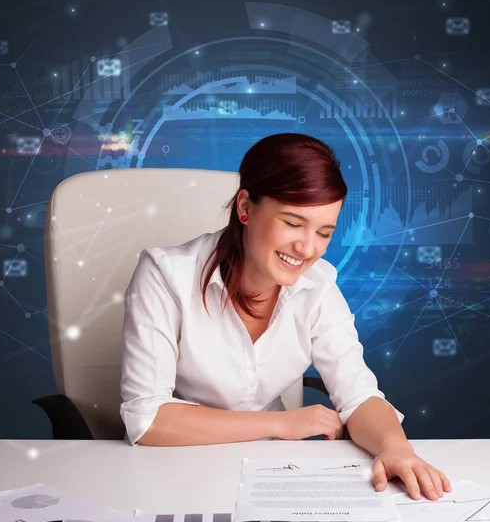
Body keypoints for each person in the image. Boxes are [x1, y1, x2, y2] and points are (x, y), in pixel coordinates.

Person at [120, 132, 452, 502]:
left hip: (273, 471)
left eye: (324, 233)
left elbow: (359, 395)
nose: (307, 248)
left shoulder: (318, 285)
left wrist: (396, 448)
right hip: (174, 469)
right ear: (245, 208)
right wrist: (281, 423)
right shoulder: (165, 275)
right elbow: (147, 419)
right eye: (293, 224)